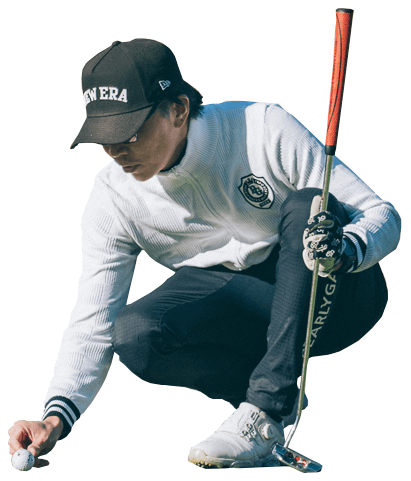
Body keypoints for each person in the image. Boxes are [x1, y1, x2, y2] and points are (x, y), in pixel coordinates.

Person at [7, 37, 402, 470]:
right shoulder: (111, 196)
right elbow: (93, 315)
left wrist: (347, 247)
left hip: (339, 297)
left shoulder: (262, 127)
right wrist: (54, 416)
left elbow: (381, 214)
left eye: (128, 133)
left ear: (178, 109)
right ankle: (262, 404)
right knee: (136, 334)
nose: (115, 151)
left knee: (309, 205)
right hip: (249, 311)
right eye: (104, 137)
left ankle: (265, 410)